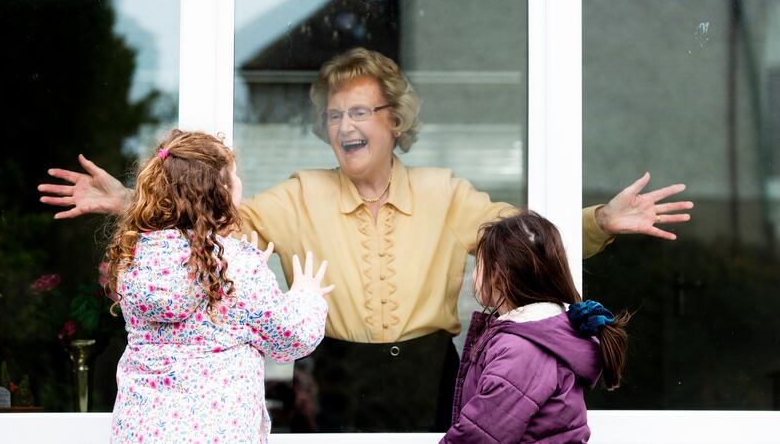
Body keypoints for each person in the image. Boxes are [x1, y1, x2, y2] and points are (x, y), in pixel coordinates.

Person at [39, 48, 691, 432]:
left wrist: (598, 221)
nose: (345, 124)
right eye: (333, 114)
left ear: (395, 119)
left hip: (428, 384)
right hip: (327, 386)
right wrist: (134, 203)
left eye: (360, 110)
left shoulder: (446, 192)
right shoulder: (295, 194)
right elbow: (208, 227)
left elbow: (517, 235)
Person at [106, 130, 331, 443]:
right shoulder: (236, 266)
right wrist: (307, 296)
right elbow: (291, 338)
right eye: (234, 176)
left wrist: (245, 264)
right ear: (221, 192)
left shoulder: (134, 257)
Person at [442, 211, 630, 443]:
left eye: (478, 264)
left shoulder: (521, 350)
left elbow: (480, 436)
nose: (473, 275)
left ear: (498, 276)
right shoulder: (539, 335)